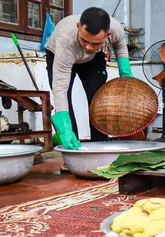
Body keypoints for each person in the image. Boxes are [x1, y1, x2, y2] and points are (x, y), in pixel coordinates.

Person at [46, 7, 133, 150]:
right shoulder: (65, 39)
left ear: (108, 35)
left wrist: (126, 75)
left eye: (96, 43)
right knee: (65, 98)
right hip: (60, 54)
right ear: (78, 27)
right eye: (84, 40)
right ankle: (71, 146)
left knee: (98, 99)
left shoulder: (116, 29)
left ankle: (101, 147)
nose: (88, 47)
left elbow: (120, 46)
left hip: (93, 61)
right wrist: (65, 130)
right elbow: (60, 88)